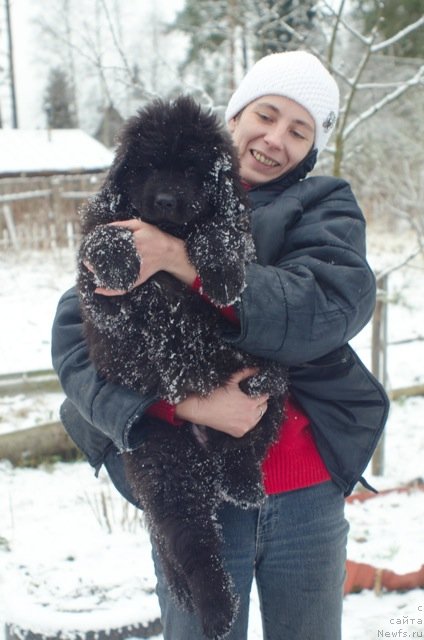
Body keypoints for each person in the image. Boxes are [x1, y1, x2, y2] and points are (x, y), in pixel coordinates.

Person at [51, 51, 389, 640]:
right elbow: (78, 338)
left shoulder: (324, 206)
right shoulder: (153, 189)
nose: (274, 139)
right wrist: (181, 406)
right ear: (235, 115)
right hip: (191, 488)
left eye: (298, 130)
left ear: (310, 150)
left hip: (305, 493)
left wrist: (177, 259)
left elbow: (324, 307)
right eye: (267, 114)